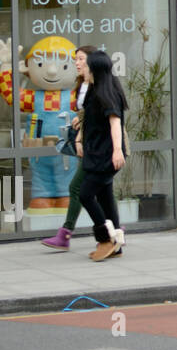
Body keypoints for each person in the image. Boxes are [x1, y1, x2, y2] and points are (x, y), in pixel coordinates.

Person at [41, 45, 98, 251]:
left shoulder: (98, 85)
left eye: (81, 59)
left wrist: (80, 138)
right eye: (76, 59)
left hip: (97, 145)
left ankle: (66, 234)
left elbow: (100, 116)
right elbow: (86, 113)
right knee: (100, 190)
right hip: (92, 144)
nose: (77, 62)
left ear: (92, 61)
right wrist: (78, 119)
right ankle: (114, 229)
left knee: (77, 188)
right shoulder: (83, 84)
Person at [76, 49, 128, 261]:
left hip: (106, 156)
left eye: (84, 64)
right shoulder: (92, 90)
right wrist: (79, 136)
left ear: (95, 68)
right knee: (105, 198)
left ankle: (105, 238)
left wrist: (117, 151)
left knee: (85, 194)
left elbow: (115, 122)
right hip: (95, 152)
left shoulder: (107, 94)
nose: (80, 68)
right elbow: (89, 118)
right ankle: (116, 243)